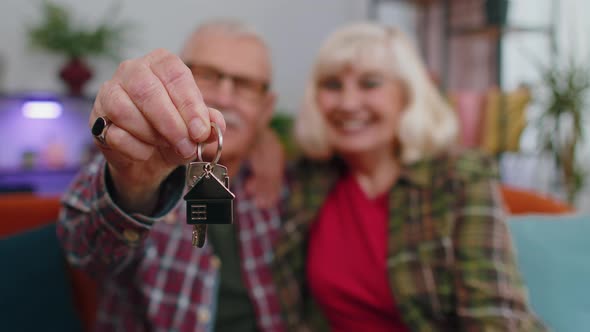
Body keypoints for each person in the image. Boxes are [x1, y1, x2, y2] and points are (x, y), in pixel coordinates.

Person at [269, 22, 547, 331]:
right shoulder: (307, 179)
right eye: (332, 85)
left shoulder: (460, 178)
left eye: (370, 83)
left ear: (407, 95)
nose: (348, 103)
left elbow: (494, 317)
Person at [57, 19, 287, 332]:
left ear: (266, 108)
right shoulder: (137, 157)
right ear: (179, 81)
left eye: (246, 86)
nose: (224, 97)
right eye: (207, 75)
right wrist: (133, 185)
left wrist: (271, 142)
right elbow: (83, 249)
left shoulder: (287, 184)